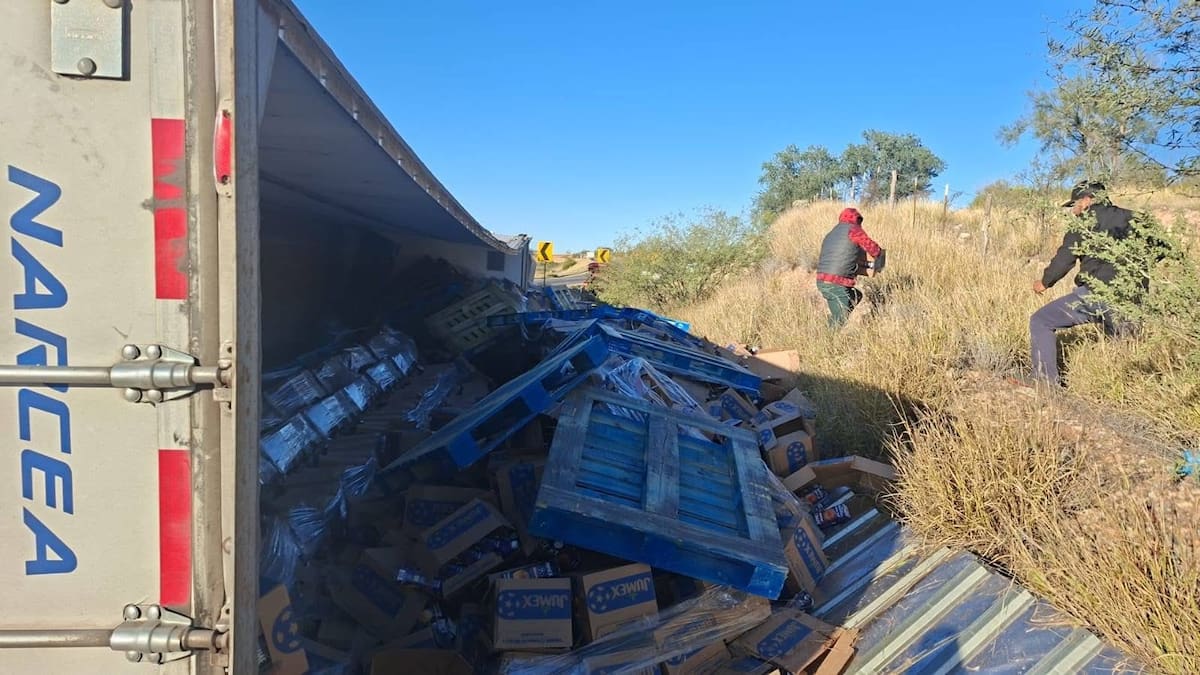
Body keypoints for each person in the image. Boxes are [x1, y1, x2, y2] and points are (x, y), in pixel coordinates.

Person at [1029, 181, 1136, 386]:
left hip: (1097, 295)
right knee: (1126, 343)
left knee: (1040, 321)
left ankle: (1045, 384)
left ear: (1087, 200)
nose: (1074, 210)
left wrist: (1044, 282)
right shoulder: (1135, 219)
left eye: (1074, 204)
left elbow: (1065, 258)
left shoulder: (1084, 223)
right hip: (1133, 297)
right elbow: (1160, 248)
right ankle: (1126, 390)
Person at [816, 207, 884, 329]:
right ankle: (826, 342)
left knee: (855, 296)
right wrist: (879, 256)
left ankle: (832, 325)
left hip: (822, 281)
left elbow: (841, 256)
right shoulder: (853, 230)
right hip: (836, 282)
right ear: (856, 219)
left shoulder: (831, 233)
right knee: (839, 319)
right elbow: (871, 247)